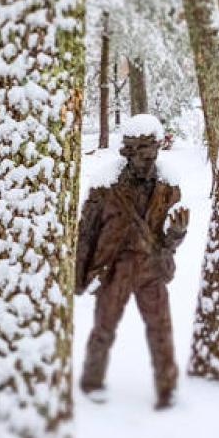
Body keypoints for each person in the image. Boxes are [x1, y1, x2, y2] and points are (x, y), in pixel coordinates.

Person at [75, 114, 189, 410]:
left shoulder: (168, 187)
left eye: (151, 153)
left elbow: (167, 240)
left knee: (161, 328)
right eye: (140, 154)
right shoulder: (105, 187)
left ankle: (167, 388)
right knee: (104, 325)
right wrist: (78, 277)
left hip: (152, 267)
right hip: (116, 268)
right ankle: (91, 379)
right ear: (127, 152)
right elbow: (86, 234)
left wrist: (177, 234)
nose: (147, 160)